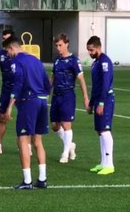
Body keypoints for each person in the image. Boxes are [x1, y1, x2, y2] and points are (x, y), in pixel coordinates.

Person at [3, 36, 50, 190]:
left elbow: (18, 84)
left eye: (7, 51)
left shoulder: (17, 62)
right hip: (42, 101)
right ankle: (42, 179)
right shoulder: (36, 60)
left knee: (23, 140)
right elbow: (46, 82)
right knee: (38, 141)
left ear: (11, 48)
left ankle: (27, 181)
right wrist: (45, 94)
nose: (8, 54)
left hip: (29, 102)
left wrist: (10, 106)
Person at [50, 33, 89, 163]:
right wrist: (46, 91)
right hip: (56, 95)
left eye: (60, 45)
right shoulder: (57, 60)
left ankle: (65, 153)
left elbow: (81, 79)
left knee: (66, 124)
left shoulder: (74, 60)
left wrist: (85, 97)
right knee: (55, 126)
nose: (58, 48)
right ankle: (70, 145)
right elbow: (52, 78)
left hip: (67, 95)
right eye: (56, 46)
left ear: (66, 44)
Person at [86, 36, 115, 175]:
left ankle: (110, 164)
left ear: (98, 47)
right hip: (98, 99)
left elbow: (105, 83)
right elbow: (96, 85)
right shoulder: (96, 63)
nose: (90, 53)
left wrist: (102, 102)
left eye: (91, 50)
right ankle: (103, 162)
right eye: (88, 50)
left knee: (105, 129)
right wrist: (92, 103)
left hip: (106, 99)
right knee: (100, 131)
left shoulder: (105, 62)